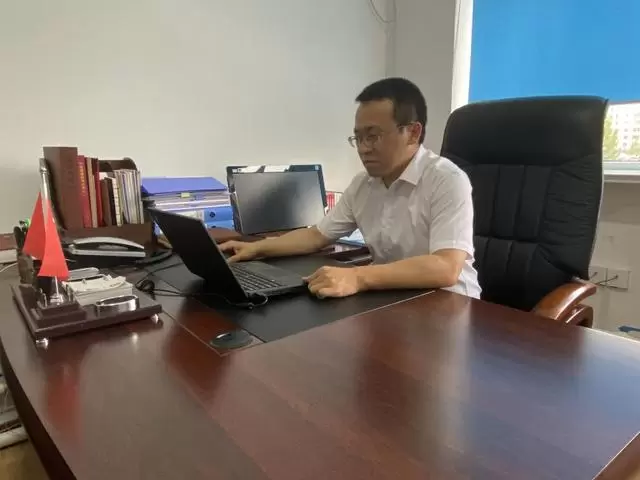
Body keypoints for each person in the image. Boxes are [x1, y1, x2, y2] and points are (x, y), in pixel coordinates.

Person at [220, 77, 481, 299]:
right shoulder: (362, 184)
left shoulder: (446, 179)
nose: (363, 148)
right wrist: (257, 248)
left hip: (451, 306)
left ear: (413, 133)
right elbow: (316, 236)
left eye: (373, 136)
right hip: (393, 298)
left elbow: (446, 266)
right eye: (358, 137)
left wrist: (358, 276)